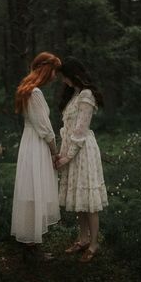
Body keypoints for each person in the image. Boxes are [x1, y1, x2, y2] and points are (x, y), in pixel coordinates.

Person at [56, 57, 108, 263]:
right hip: (72, 151)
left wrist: (66, 157)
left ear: (73, 75)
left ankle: (94, 244)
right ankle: (83, 238)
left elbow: (80, 130)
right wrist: (63, 153)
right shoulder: (75, 94)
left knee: (89, 201)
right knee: (79, 200)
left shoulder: (86, 95)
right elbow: (67, 130)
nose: (63, 81)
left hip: (83, 152)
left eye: (64, 76)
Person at [11, 52, 61, 247]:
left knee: (31, 191)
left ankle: (30, 243)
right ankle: (32, 244)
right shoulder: (36, 93)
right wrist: (54, 151)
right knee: (35, 191)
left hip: (28, 142)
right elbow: (45, 129)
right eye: (54, 71)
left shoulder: (27, 89)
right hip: (37, 144)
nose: (55, 76)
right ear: (46, 70)